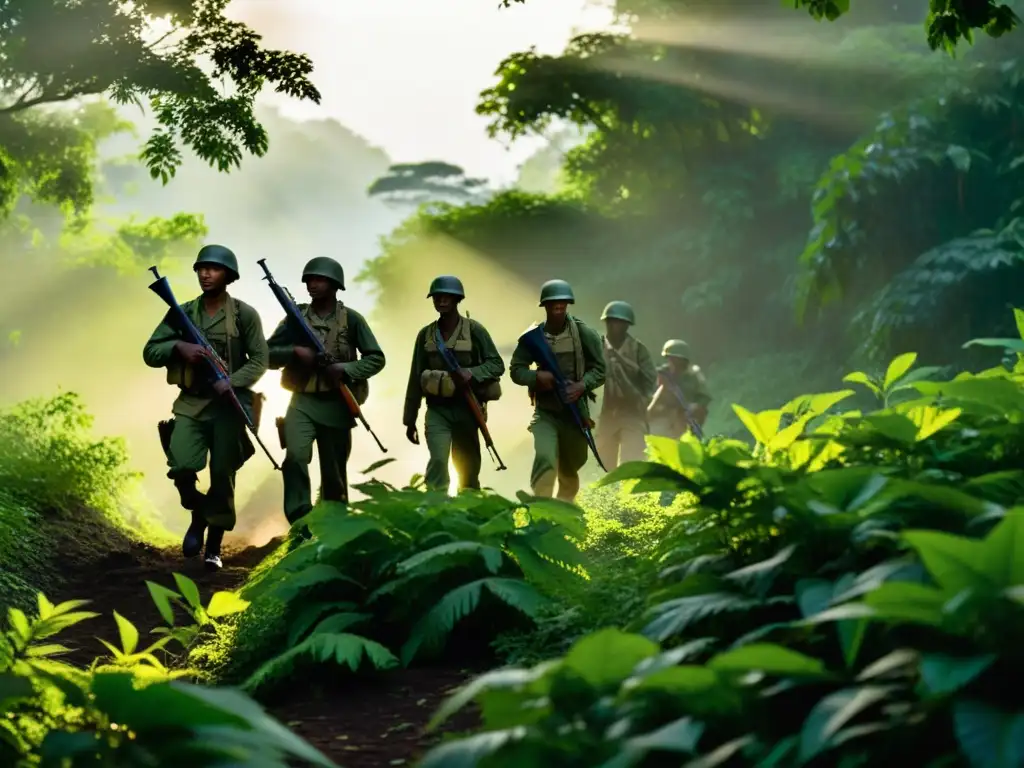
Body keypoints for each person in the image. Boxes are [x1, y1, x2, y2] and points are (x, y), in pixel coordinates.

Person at [143, 244, 268, 570]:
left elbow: (260, 359)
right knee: (182, 462)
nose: (205, 274)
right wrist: (178, 346)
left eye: (213, 269)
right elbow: (150, 352)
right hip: (191, 403)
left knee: (223, 478)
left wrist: (233, 381)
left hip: (227, 406)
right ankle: (197, 511)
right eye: (201, 268)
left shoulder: (244, 314)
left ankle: (214, 548)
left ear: (228, 275)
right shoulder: (182, 313)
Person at [266, 256, 385, 524]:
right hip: (302, 401)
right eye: (309, 279)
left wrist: (345, 369)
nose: (312, 284)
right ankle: (300, 521)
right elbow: (266, 354)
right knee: (295, 457)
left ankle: (334, 529)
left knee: (334, 475)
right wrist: (294, 352)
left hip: (338, 405)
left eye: (319, 279)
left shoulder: (352, 320)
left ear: (334, 284)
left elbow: (376, 358)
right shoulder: (295, 318)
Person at [402, 276, 505, 492]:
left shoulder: (475, 330)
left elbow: (496, 365)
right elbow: (415, 378)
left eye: (446, 296)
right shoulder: (426, 335)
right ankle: (435, 512)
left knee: (468, 469)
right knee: (438, 461)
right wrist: (409, 419)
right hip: (437, 410)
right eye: (437, 296)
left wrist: (472, 373)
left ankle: (468, 516)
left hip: (468, 408)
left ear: (457, 299)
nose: (441, 300)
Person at [509, 279, 605, 502]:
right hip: (546, 413)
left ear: (568, 304)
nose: (558, 307)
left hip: (575, 413)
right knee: (546, 458)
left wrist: (582, 385)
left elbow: (601, 370)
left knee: (571, 467)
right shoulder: (533, 338)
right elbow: (516, 370)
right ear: (545, 306)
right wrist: (537, 377)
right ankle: (541, 510)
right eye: (553, 304)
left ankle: (562, 514)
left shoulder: (584, 334)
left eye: (562, 303)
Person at [595, 300, 658, 468]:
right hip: (605, 414)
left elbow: (650, 382)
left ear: (627, 326)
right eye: (612, 322)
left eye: (620, 323)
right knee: (606, 466)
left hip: (632, 413)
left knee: (633, 462)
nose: (615, 326)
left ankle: (633, 494)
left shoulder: (638, 350)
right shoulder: (595, 348)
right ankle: (610, 494)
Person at [647, 339, 712, 438]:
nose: (673, 362)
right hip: (662, 414)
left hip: (685, 415)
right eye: (671, 359)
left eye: (676, 359)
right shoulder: (662, 374)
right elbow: (648, 394)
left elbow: (705, 397)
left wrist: (694, 406)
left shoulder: (693, 375)